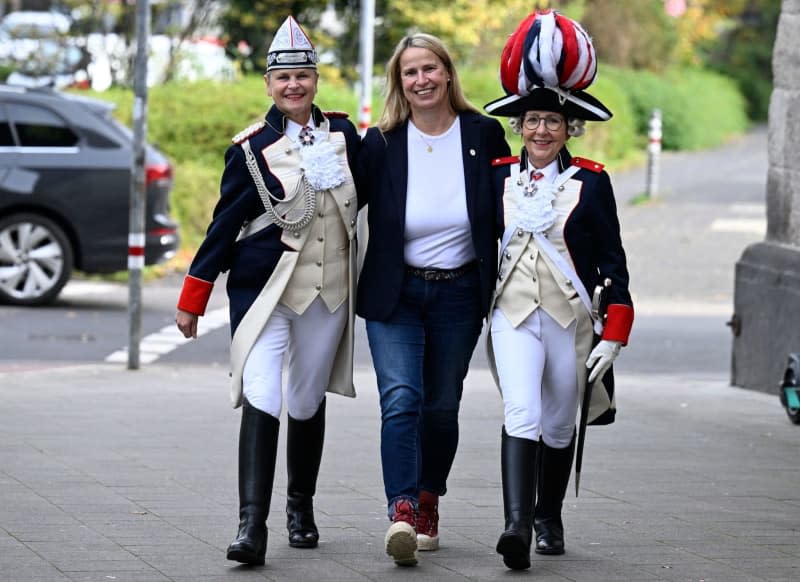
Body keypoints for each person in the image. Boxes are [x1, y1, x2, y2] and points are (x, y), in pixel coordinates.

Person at [174, 15, 362, 566]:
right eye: (283, 79)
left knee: (305, 398)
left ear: (316, 80)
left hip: (326, 290)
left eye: (302, 76)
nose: (293, 87)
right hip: (263, 292)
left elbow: (376, 203)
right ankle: (250, 527)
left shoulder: (347, 137)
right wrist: (194, 297)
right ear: (268, 85)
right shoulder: (250, 149)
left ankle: (299, 509)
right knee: (262, 392)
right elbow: (223, 225)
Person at [482, 10, 634, 571]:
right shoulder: (496, 178)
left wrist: (614, 330)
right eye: (532, 121)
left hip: (570, 318)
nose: (540, 130)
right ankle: (516, 526)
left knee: (559, 422)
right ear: (518, 126)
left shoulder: (591, 183)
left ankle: (549, 516)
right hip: (512, 313)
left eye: (552, 121)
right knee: (520, 411)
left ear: (570, 128)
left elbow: (613, 263)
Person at [357, 33, 511, 566]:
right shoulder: (380, 143)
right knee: (401, 398)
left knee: (442, 404)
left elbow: (514, 205)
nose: (420, 80)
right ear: (399, 83)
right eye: (409, 72)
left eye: (429, 68)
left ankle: (428, 498)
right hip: (395, 291)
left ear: (447, 73)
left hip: (460, 292)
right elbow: (333, 198)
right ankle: (401, 509)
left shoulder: (484, 134)